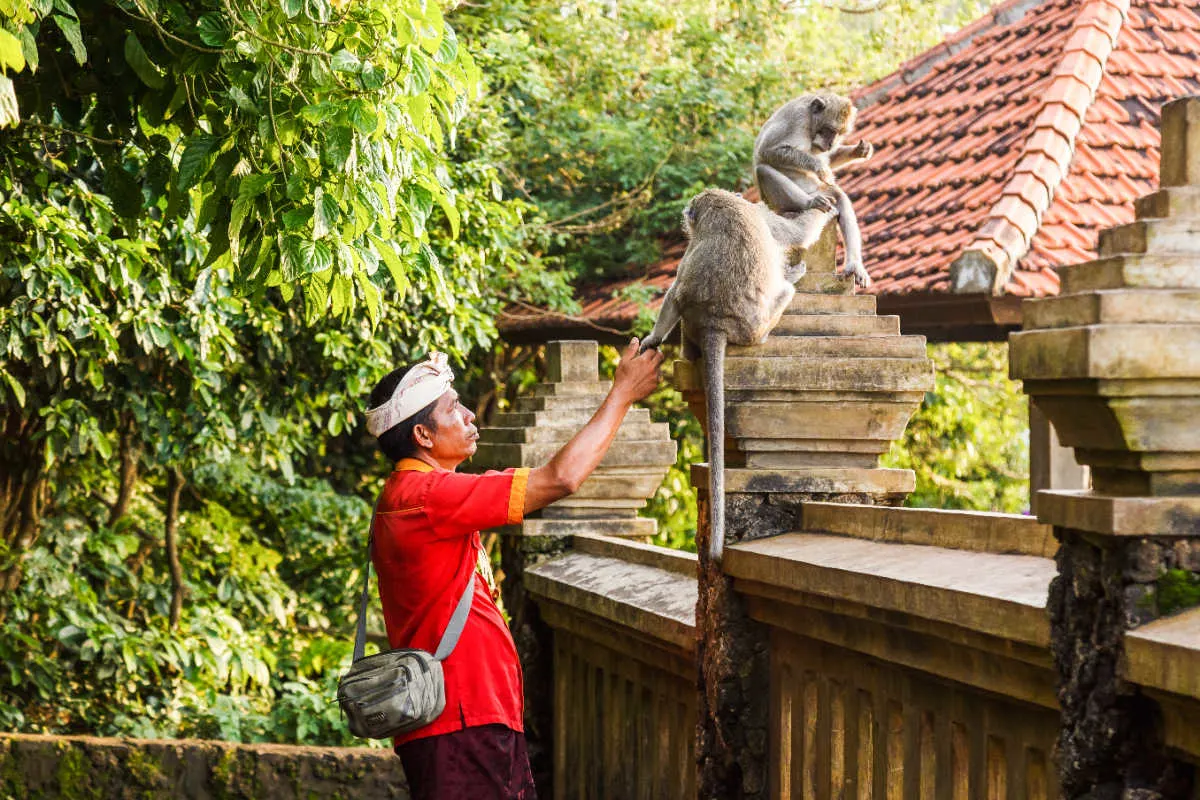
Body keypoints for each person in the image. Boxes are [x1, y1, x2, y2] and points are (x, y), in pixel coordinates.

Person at [363, 338, 664, 800]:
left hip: (466, 715)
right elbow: (561, 478)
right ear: (423, 436)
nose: (469, 417)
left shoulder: (408, 494)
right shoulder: (428, 496)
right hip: (463, 717)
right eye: (453, 409)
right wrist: (622, 392)